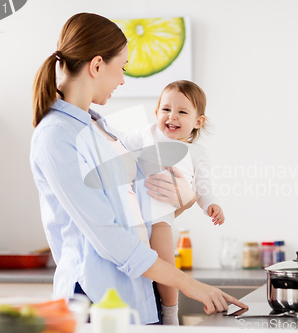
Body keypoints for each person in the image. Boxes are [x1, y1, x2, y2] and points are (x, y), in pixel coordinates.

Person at [29, 12, 246, 325]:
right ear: (97, 65)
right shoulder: (57, 136)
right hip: (97, 301)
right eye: (122, 68)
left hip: (138, 296)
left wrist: (183, 201)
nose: (122, 80)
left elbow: (134, 216)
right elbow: (109, 237)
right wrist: (190, 284)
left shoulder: (101, 130)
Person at [114, 80, 225, 324]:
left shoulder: (197, 153)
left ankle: (169, 312)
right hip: (133, 214)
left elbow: (203, 186)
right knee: (138, 263)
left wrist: (211, 205)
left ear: (198, 122)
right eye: (166, 109)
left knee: (165, 263)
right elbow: (117, 140)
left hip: (161, 216)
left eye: (182, 112)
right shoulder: (146, 134)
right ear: (156, 112)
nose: (171, 117)